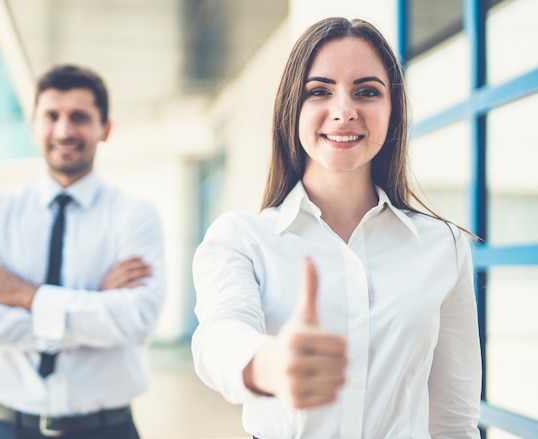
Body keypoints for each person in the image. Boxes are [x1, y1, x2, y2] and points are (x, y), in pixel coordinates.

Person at [191, 17, 481, 438]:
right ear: (293, 108)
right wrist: (271, 364)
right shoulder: (242, 239)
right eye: (319, 91)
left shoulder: (444, 246)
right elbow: (218, 335)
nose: (344, 111)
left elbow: (454, 419)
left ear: (392, 111)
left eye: (367, 92)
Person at [0, 64, 165, 439]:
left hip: (108, 429)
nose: (64, 130)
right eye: (51, 116)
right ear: (33, 126)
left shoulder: (135, 216)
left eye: (80, 118)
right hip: (10, 427)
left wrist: (23, 295)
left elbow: (136, 321)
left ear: (106, 129)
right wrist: (96, 303)